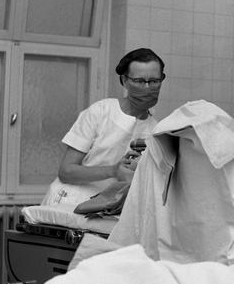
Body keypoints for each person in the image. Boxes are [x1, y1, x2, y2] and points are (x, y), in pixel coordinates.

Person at [39, 48, 166, 210]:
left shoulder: (156, 130)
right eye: (140, 81)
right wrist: (114, 171)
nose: (147, 87)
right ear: (125, 81)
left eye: (154, 81)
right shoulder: (101, 112)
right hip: (67, 204)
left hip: (107, 210)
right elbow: (66, 172)